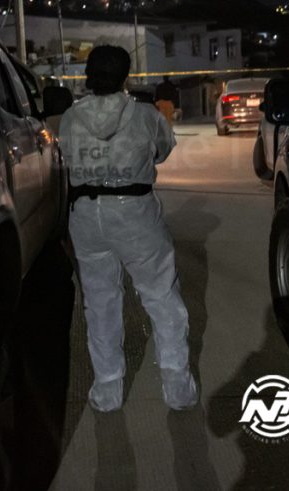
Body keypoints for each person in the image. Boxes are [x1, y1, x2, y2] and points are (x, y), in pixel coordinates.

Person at [59, 46, 198, 412]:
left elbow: (66, 156)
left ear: (88, 75)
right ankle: (177, 388)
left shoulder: (71, 117)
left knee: (100, 301)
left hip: (86, 215)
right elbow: (163, 150)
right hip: (135, 212)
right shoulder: (145, 115)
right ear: (125, 76)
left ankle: (107, 390)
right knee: (161, 296)